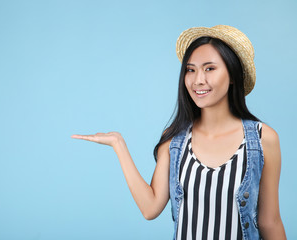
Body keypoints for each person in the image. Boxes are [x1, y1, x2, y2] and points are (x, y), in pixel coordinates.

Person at [71, 25, 286, 240]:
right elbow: (150, 208)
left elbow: (270, 221)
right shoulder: (175, 140)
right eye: (190, 70)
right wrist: (118, 144)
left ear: (232, 75)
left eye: (209, 68)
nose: (198, 80)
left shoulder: (262, 139)